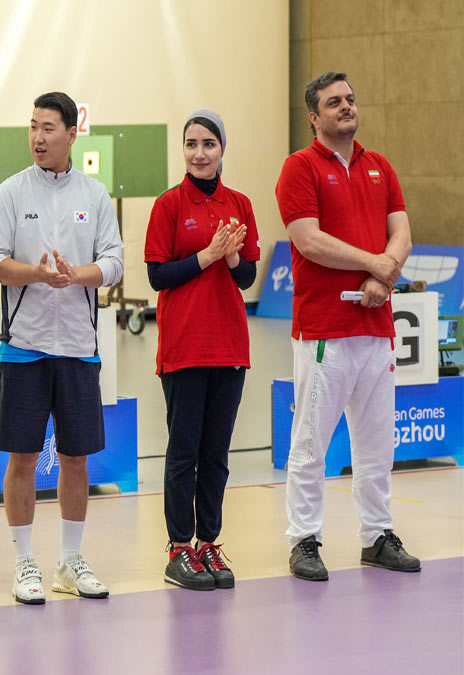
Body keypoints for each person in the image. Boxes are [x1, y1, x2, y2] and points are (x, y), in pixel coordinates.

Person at [0, 91, 124, 604]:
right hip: (25, 346)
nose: (38, 137)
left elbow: (115, 263)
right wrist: (36, 274)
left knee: (76, 458)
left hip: (80, 349)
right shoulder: (11, 193)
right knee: (22, 457)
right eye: (33, 127)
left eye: (48, 128)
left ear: (71, 133)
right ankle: (24, 563)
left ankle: (70, 560)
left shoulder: (95, 195)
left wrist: (75, 276)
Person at [275, 71, 419, 581]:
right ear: (314, 116)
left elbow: (400, 231)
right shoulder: (299, 169)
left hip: (376, 330)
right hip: (323, 333)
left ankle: (377, 536)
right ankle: (304, 540)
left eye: (350, 99)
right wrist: (375, 265)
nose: (346, 107)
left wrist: (386, 269)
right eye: (334, 102)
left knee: (378, 445)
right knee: (311, 443)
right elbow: (309, 240)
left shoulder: (379, 166)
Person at [144, 109, 258, 591]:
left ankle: (209, 542)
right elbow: (156, 276)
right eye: (191, 144)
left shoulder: (241, 204)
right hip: (185, 346)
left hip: (229, 345)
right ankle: (179, 547)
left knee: (216, 453)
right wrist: (205, 256)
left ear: (222, 150)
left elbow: (248, 276)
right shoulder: (169, 205)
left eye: (208, 143)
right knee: (184, 451)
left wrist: (231, 257)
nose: (199, 152)